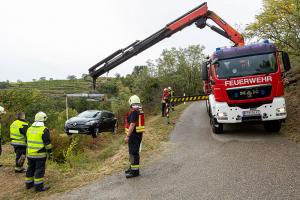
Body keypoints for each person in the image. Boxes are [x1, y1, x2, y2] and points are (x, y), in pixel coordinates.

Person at [25, 112, 52, 192]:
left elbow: (26, 141)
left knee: (30, 169)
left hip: (30, 154)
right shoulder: (44, 129)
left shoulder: (29, 129)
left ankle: (29, 184)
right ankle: (38, 187)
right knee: (39, 170)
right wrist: (50, 152)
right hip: (40, 154)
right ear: (43, 119)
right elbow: (47, 143)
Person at [124, 95, 145, 178]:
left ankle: (135, 172)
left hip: (134, 135)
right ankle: (132, 168)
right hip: (137, 134)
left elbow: (132, 124)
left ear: (131, 102)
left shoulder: (134, 111)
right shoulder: (139, 110)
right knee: (132, 152)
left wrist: (127, 136)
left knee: (133, 152)